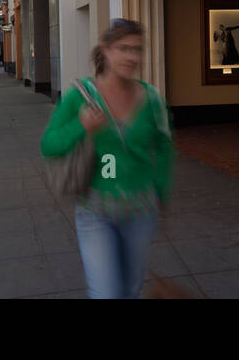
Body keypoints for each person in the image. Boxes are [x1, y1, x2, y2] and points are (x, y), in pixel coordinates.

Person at [40, 18, 175, 300]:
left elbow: (163, 146)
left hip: (141, 211)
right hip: (95, 212)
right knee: (106, 294)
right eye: (123, 48)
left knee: (130, 290)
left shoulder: (151, 98)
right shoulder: (81, 96)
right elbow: (49, 145)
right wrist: (81, 127)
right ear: (105, 50)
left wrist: (160, 190)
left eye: (137, 49)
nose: (131, 57)